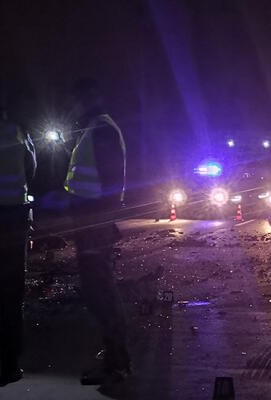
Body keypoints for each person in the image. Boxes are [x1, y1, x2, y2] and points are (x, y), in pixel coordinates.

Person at [63, 78, 130, 385]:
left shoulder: (101, 129)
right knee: (98, 291)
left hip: (93, 224)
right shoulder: (94, 129)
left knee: (100, 292)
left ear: (87, 99)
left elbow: (110, 181)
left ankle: (117, 363)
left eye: (75, 100)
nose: (72, 106)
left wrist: (99, 223)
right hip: (90, 222)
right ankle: (114, 359)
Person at [0, 96, 36, 386]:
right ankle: (9, 364)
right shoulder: (18, 132)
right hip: (13, 216)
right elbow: (32, 167)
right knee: (11, 293)